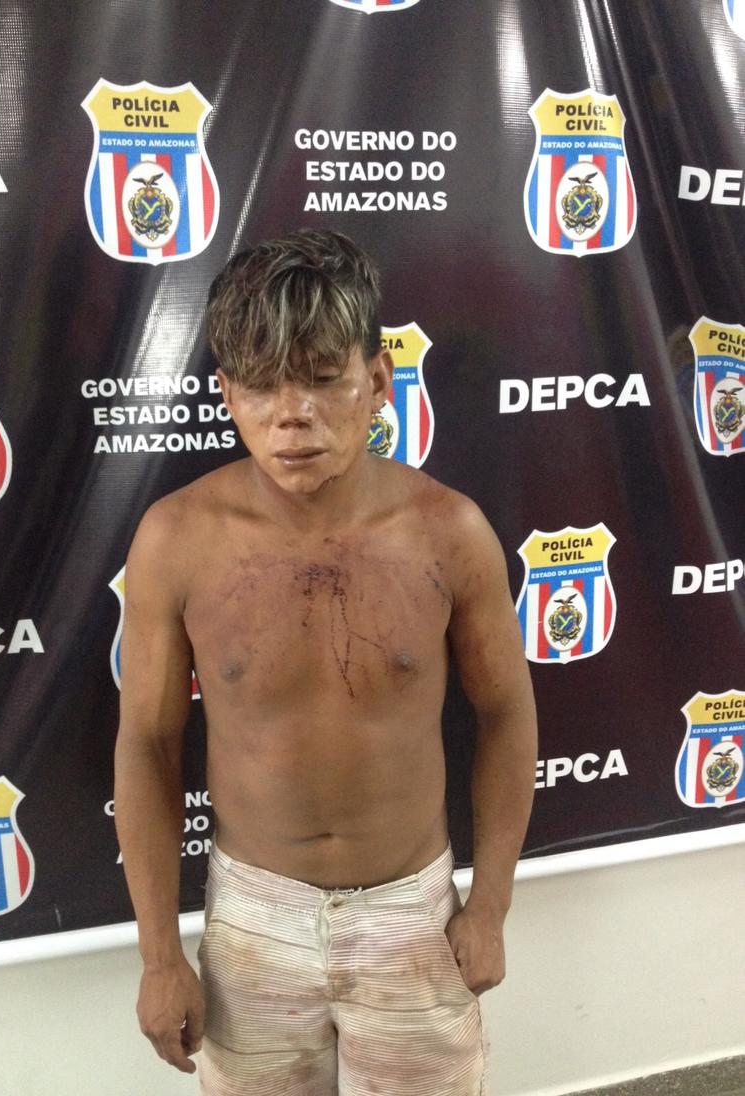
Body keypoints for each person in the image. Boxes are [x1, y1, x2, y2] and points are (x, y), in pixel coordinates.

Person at [114, 229, 537, 1095]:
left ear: (377, 380)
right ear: (227, 393)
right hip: (253, 915)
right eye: (261, 384)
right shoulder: (177, 539)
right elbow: (147, 744)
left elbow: (506, 713)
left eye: (319, 376)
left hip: (411, 912)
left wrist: (490, 903)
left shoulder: (450, 533)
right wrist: (159, 955)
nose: (291, 414)